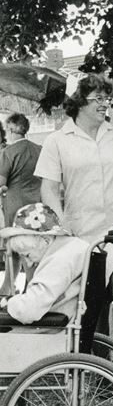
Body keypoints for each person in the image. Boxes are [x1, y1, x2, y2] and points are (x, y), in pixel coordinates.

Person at [34, 73, 113, 355]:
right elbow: (48, 188)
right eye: (98, 98)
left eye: (107, 98)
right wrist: (61, 219)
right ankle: (102, 360)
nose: (105, 104)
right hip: (80, 228)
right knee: (93, 294)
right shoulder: (57, 141)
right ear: (79, 103)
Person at [0, 203, 88, 324]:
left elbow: (29, 310)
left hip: (53, 332)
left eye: (27, 255)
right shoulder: (73, 247)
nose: (29, 264)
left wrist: (9, 302)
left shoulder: (60, 260)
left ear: (46, 240)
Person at [0, 113, 42, 296]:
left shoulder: (8, 153)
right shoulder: (39, 149)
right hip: (37, 206)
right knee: (32, 251)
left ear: (10, 129)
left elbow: (1, 183)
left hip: (15, 207)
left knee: (18, 250)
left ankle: (28, 291)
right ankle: (10, 289)